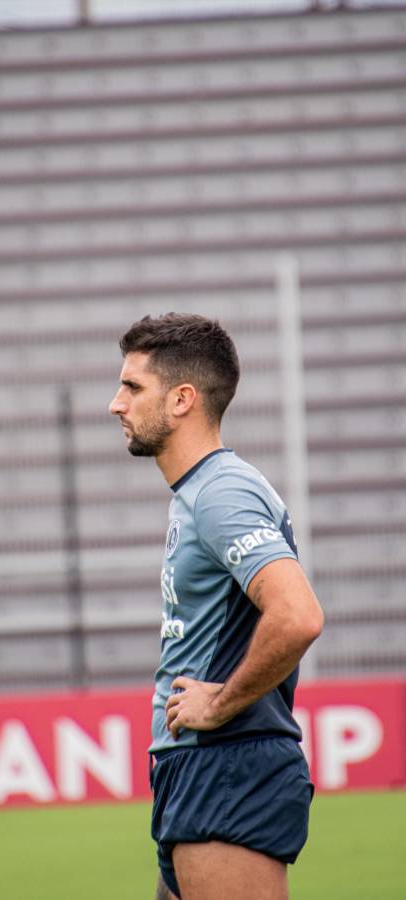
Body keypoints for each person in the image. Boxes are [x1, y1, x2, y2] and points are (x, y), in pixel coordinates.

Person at [108, 313, 324, 900]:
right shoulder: (198, 492)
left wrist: (221, 703)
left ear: (182, 399)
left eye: (132, 387)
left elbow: (299, 615)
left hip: (225, 764)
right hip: (197, 768)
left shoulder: (222, 492)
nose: (115, 404)